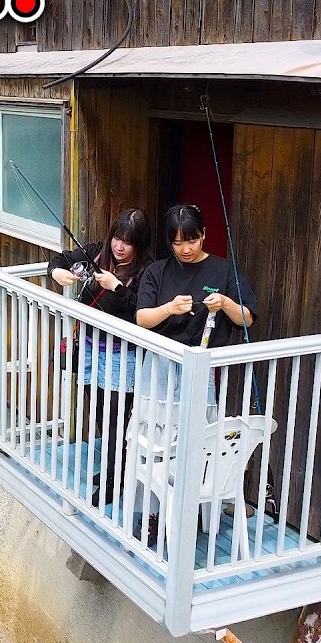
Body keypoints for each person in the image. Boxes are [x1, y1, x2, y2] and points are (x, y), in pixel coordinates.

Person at [48, 207, 152, 507]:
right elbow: (60, 258)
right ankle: (112, 470)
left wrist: (117, 288)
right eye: (117, 238)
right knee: (97, 411)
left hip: (122, 355)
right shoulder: (96, 253)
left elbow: (140, 312)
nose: (119, 247)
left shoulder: (147, 271)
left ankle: (114, 479)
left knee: (116, 419)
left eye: (127, 242)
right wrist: (57, 272)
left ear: (139, 244)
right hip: (91, 348)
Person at [137, 203, 257, 408]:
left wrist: (225, 302)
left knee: (197, 420)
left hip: (202, 364)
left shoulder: (224, 270)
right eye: (178, 243)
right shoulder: (156, 271)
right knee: (154, 420)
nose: (186, 249)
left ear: (204, 234)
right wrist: (169, 308)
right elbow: (142, 319)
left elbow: (247, 319)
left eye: (192, 241)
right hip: (160, 361)